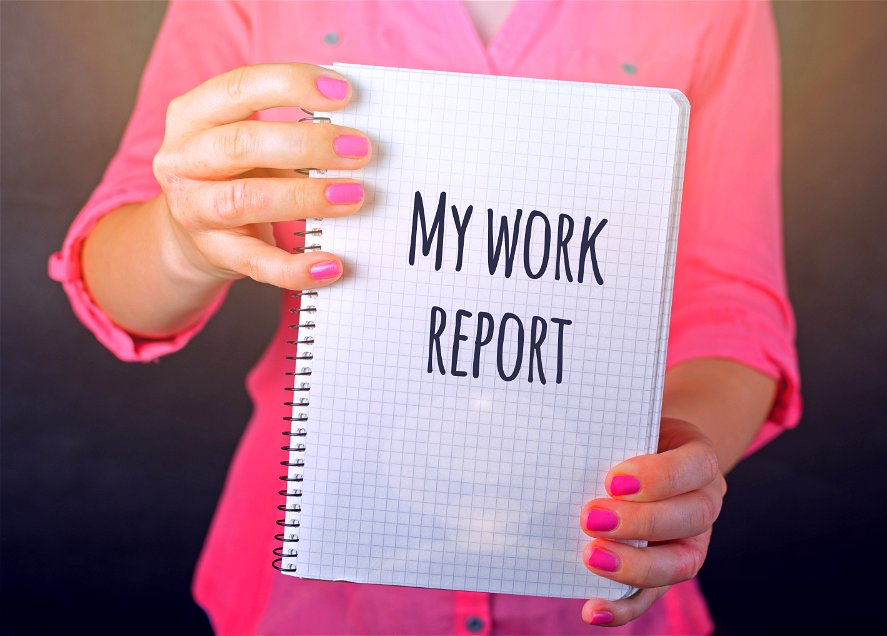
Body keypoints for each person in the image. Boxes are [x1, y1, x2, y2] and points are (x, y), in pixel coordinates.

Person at [49, 1, 800, 633]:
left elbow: (731, 303)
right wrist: (184, 238)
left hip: (586, 580)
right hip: (308, 591)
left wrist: (671, 472)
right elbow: (117, 282)